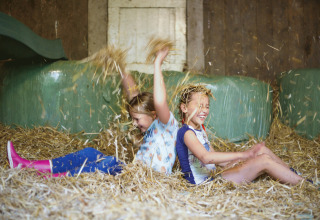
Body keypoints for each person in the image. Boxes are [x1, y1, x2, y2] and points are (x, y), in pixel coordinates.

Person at [7, 47, 179, 177]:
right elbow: (133, 94)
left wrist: (157, 63)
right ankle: (28, 165)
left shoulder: (166, 124)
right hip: (133, 173)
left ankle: (54, 178)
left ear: (154, 114)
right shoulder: (147, 120)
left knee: (109, 162)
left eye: (137, 119)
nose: (134, 123)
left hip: (149, 179)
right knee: (90, 153)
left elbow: (159, 101)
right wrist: (119, 67)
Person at [176, 84, 309, 185]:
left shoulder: (200, 129)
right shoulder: (186, 132)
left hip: (214, 174)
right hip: (205, 184)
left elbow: (215, 159)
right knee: (264, 161)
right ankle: (305, 184)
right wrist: (243, 155)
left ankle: (293, 173)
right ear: (184, 108)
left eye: (207, 106)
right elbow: (206, 157)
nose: (204, 110)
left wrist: (241, 161)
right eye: (199, 105)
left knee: (261, 151)